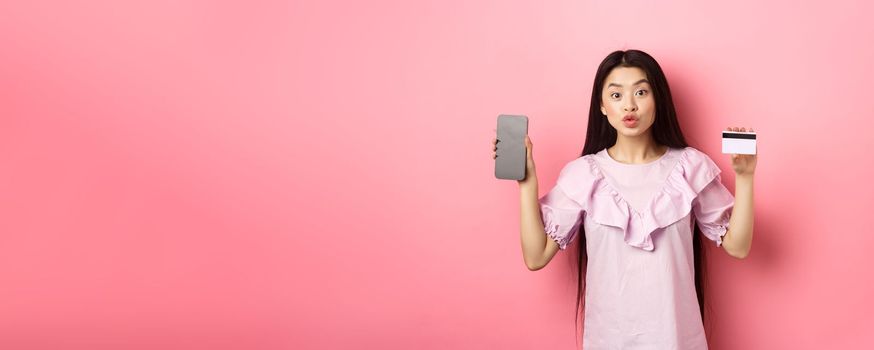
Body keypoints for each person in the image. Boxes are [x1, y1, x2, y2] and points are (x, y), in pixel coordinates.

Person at [490, 49, 757, 349]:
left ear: (658, 100)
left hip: (677, 340)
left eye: (641, 92)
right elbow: (536, 256)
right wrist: (527, 184)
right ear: (602, 106)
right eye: (616, 95)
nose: (629, 105)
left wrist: (745, 178)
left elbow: (738, 245)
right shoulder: (584, 175)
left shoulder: (690, 167)